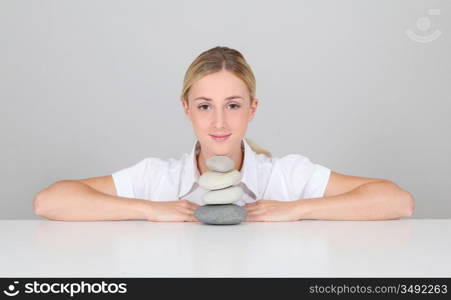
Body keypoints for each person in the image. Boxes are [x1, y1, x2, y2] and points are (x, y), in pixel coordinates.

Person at [33, 46, 415, 222]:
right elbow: (50, 201)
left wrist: (297, 209)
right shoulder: (157, 178)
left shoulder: (286, 175)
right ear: (186, 108)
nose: (218, 122)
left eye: (232, 105)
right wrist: (148, 209)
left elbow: (397, 201)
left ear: (252, 109)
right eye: (204, 106)